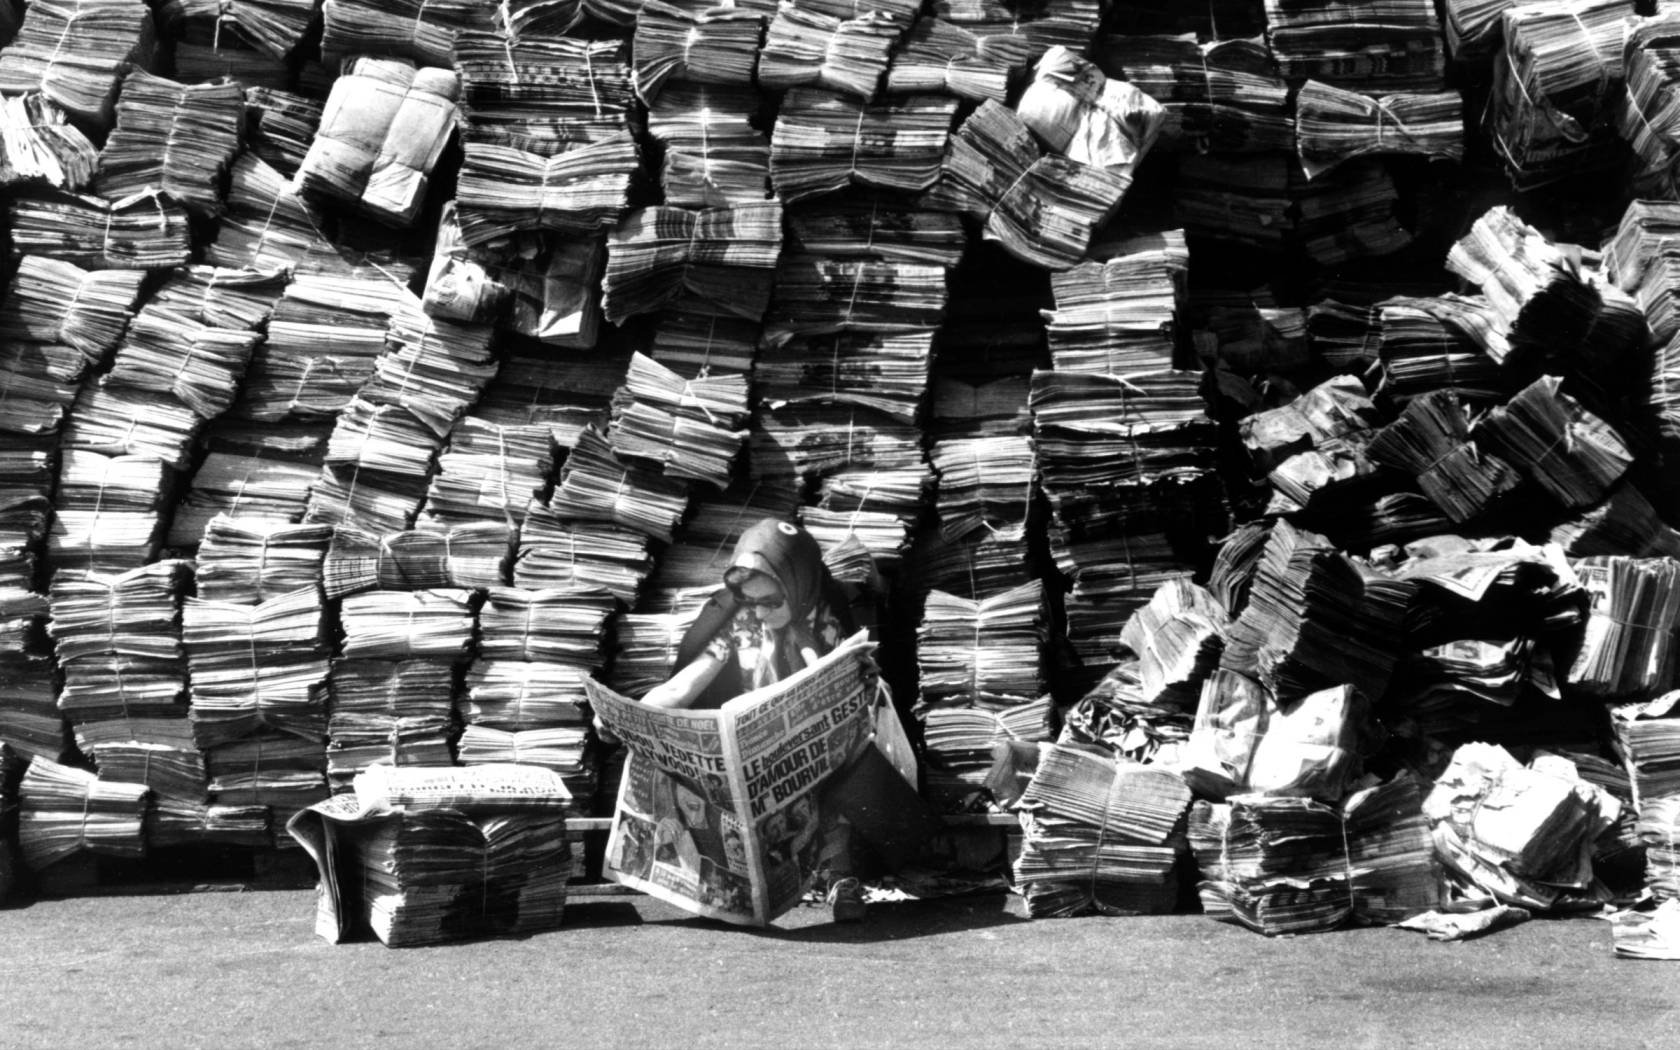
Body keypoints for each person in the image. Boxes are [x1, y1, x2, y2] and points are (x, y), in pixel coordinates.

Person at [630, 518, 936, 922]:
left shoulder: (826, 621)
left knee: (848, 760)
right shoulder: (743, 626)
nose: (760, 611)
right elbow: (683, 686)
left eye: (772, 601)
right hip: (755, 761)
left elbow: (840, 680)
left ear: (797, 584)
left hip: (818, 762)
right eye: (751, 602)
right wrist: (632, 714)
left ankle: (842, 878)